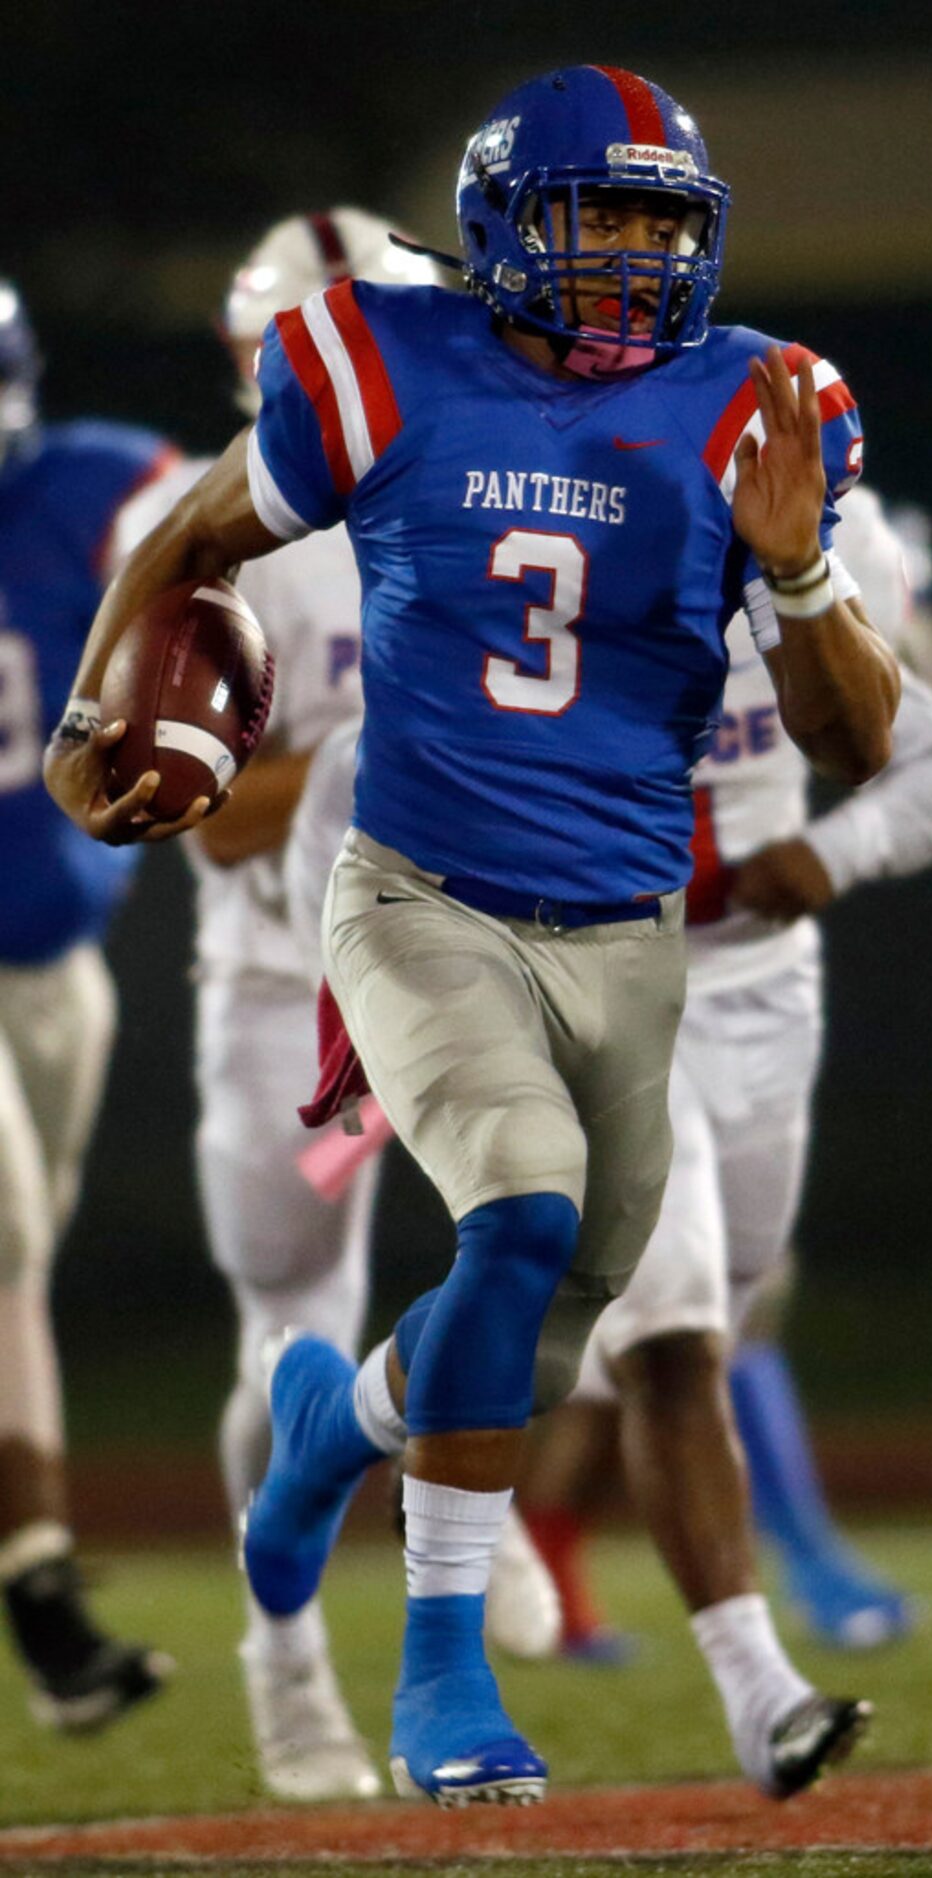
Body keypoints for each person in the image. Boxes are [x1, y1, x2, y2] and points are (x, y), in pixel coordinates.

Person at [44, 64, 898, 1808]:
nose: (633, 263)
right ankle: (440, 1680)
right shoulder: (382, 366)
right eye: (601, 220)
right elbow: (201, 539)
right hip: (417, 893)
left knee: (557, 1312)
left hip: (627, 924)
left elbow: (857, 745)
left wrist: (801, 578)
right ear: (507, 224)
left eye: (666, 225)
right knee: (520, 1215)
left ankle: (327, 1430)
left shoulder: (759, 404)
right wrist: (87, 714)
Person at [109, 207, 559, 1804]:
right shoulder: (204, 522)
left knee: (557, 1248)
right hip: (276, 994)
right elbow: (207, 804)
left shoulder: (494, 474)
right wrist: (408, 733)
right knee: (284, 1324)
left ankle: (456, 1525)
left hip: (460, 948)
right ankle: (283, 1654)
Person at [517, 483, 932, 1663]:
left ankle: (518, 1526)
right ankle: (757, 1632)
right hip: (600, 982)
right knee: (670, 1328)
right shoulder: (552, 582)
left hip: (759, 990)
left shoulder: (825, 568)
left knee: (714, 1310)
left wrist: (828, 850)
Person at [0, 277, 179, 1730]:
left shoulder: (94, 486)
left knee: (14, 1268)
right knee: (0, 1238)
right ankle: (44, 1594)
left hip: (57, 950)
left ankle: (41, 1610)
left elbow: (251, 520)